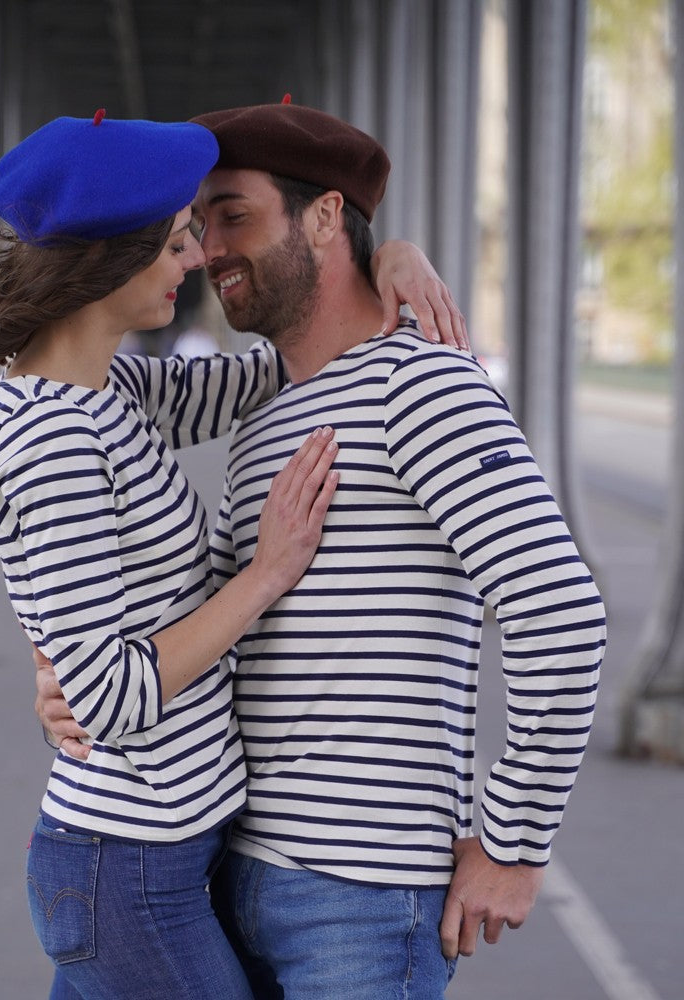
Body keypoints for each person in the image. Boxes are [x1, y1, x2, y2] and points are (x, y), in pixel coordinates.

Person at [39, 101, 606, 1000]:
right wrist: (73, 667)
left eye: (236, 216)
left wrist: (513, 845)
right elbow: (50, 417)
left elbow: (560, 615)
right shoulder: (262, 401)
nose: (207, 249)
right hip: (222, 869)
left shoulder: (421, 386)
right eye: (196, 225)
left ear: (325, 216)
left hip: (362, 902)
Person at [0, 111, 467, 1000]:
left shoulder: (111, 390)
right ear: (104, 257)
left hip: (163, 852)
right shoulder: (56, 440)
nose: (195, 261)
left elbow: (280, 364)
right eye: (176, 240)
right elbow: (106, 697)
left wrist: (381, 255)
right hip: (128, 866)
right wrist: (268, 574)